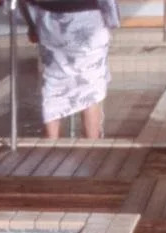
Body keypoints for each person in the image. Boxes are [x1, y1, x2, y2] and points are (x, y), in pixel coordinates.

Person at [19, 0, 121, 139]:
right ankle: (92, 143)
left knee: (54, 81)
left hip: (51, 22)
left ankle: (51, 142)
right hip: (88, 21)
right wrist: (112, 20)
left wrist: (32, 25)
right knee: (90, 88)